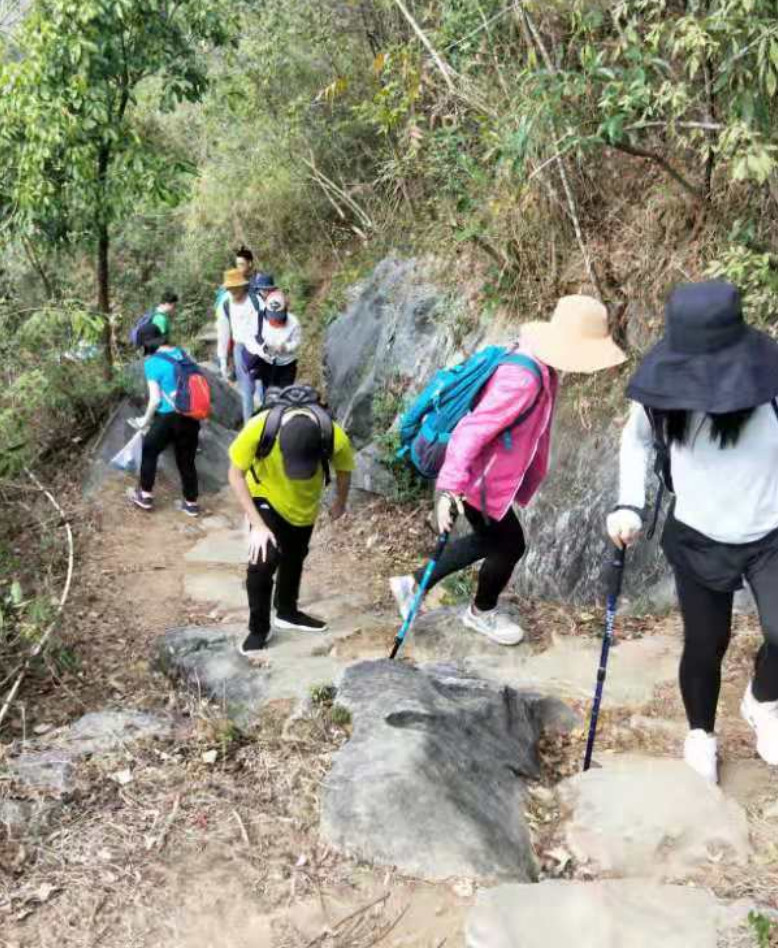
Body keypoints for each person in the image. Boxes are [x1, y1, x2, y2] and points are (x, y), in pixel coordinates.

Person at [607, 280, 778, 783]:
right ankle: (701, 733)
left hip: (770, 532)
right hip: (699, 534)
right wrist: (629, 504)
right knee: (706, 643)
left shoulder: (769, 381)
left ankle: (763, 702)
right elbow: (636, 441)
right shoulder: (662, 394)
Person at [390, 296, 626, 646]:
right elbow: (472, 430)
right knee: (510, 544)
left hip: (481, 475)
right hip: (478, 479)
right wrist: (450, 489)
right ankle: (479, 612)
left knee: (491, 540)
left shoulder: (533, 360)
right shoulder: (523, 379)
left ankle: (414, 584)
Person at [227, 395, 354, 659]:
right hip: (265, 495)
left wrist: (340, 502)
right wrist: (257, 525)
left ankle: (287, 611)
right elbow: (235, 474)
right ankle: (258, 629)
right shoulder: (259, 429)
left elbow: (344, 471)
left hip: (304, 505)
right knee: (263, 560)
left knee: (295, 557)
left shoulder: (335, 437)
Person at [128, 323, 200, 517]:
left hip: (169, 417)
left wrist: (144, 421)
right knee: (187, 460)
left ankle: (145, 496)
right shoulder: (182, 354)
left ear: (146, 343)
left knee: (149, 450)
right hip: (191, 414)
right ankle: (191, 504)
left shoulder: (152, 363)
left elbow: (156, 400)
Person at [216, 268, 267, 423]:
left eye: (235, 287)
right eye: (230, 288)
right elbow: (223, 332)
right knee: (246, 390)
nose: (233, 291)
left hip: (260, 347)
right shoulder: (225, 304)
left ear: (242, 286)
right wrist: (223, 359)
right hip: (240, 348)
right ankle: (249, 426)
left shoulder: (256, 301)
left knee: (263, 386)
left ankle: (267, 420)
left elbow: (267, 324)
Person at [242, 290, 302, 393]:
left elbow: (297, 342)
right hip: (266, 363)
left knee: (284, 393)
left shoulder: (293, 322)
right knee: (269, 393)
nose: (275, 321)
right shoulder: (256, 319)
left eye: (278, 316)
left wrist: (286, 347)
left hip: (286, 365)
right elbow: (249, 339)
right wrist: (263, 349)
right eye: (272, 316)